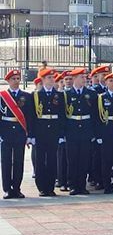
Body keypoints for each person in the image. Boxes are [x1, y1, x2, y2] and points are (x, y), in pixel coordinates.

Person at [1, 69, 34, 199]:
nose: (16, 81)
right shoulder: (2, 96)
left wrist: (29, 135)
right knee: (6, 161)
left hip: (20, 132)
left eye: (17, 79)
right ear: (8, 81)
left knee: (19, 162)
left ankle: (17, 188)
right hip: (6, 132)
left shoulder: (26, 96)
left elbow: (30, 116)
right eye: (13, 79)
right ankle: (7, 189)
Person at [32, 69, 65, 197]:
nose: (52, 80)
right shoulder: (36, 95)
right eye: (49, 78)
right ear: (43, 80)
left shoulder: (59, 95)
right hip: (41, 131)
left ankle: (50, 187)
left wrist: (61, 134)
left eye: (52, 78)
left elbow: (62, 115)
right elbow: (33, 116)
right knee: (40, 160)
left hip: (54, 130)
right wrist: (32, 135)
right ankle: (41, 187)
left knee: (52, 159)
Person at [64, 68, 97, 196]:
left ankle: (82, 185)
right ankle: (73, 185)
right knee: (72, 159)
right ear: (75, 79)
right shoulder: (67, 94)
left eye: (85, 77)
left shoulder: (91, 94)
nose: (84, 79)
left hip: (86, 129)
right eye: (81, 77)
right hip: (72, 129)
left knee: (84, 159)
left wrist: (94, 133)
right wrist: (63, 133)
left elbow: (95, 114)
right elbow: (63, 115)